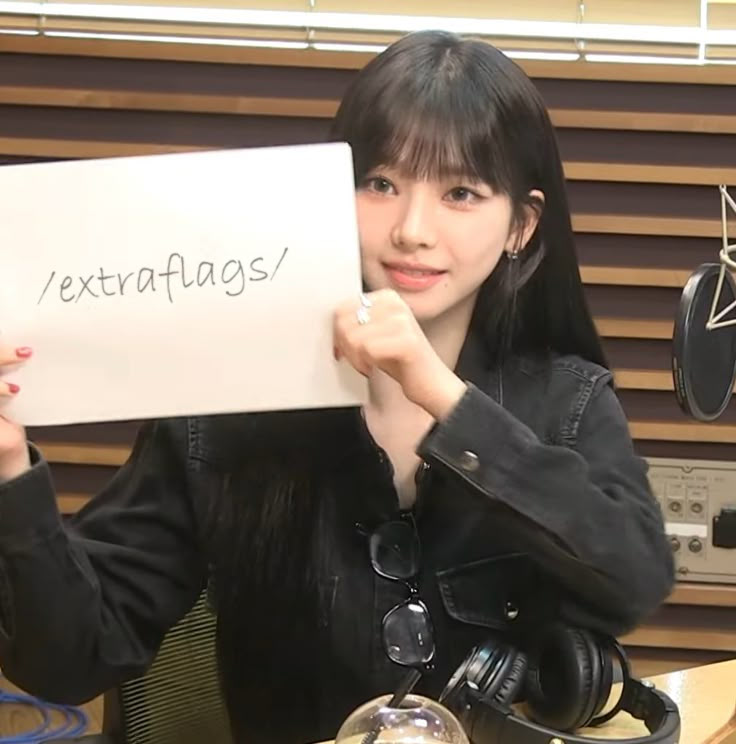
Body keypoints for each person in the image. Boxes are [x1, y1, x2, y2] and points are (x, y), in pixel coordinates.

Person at [0, 29, 674, 744]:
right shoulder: (227, 405)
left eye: (461, 193)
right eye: (380, 184)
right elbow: (71, 659)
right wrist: (11, 468)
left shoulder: (566, 402)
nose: (413, 230)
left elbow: (633, 580)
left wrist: (441, 395)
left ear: (521, 226)